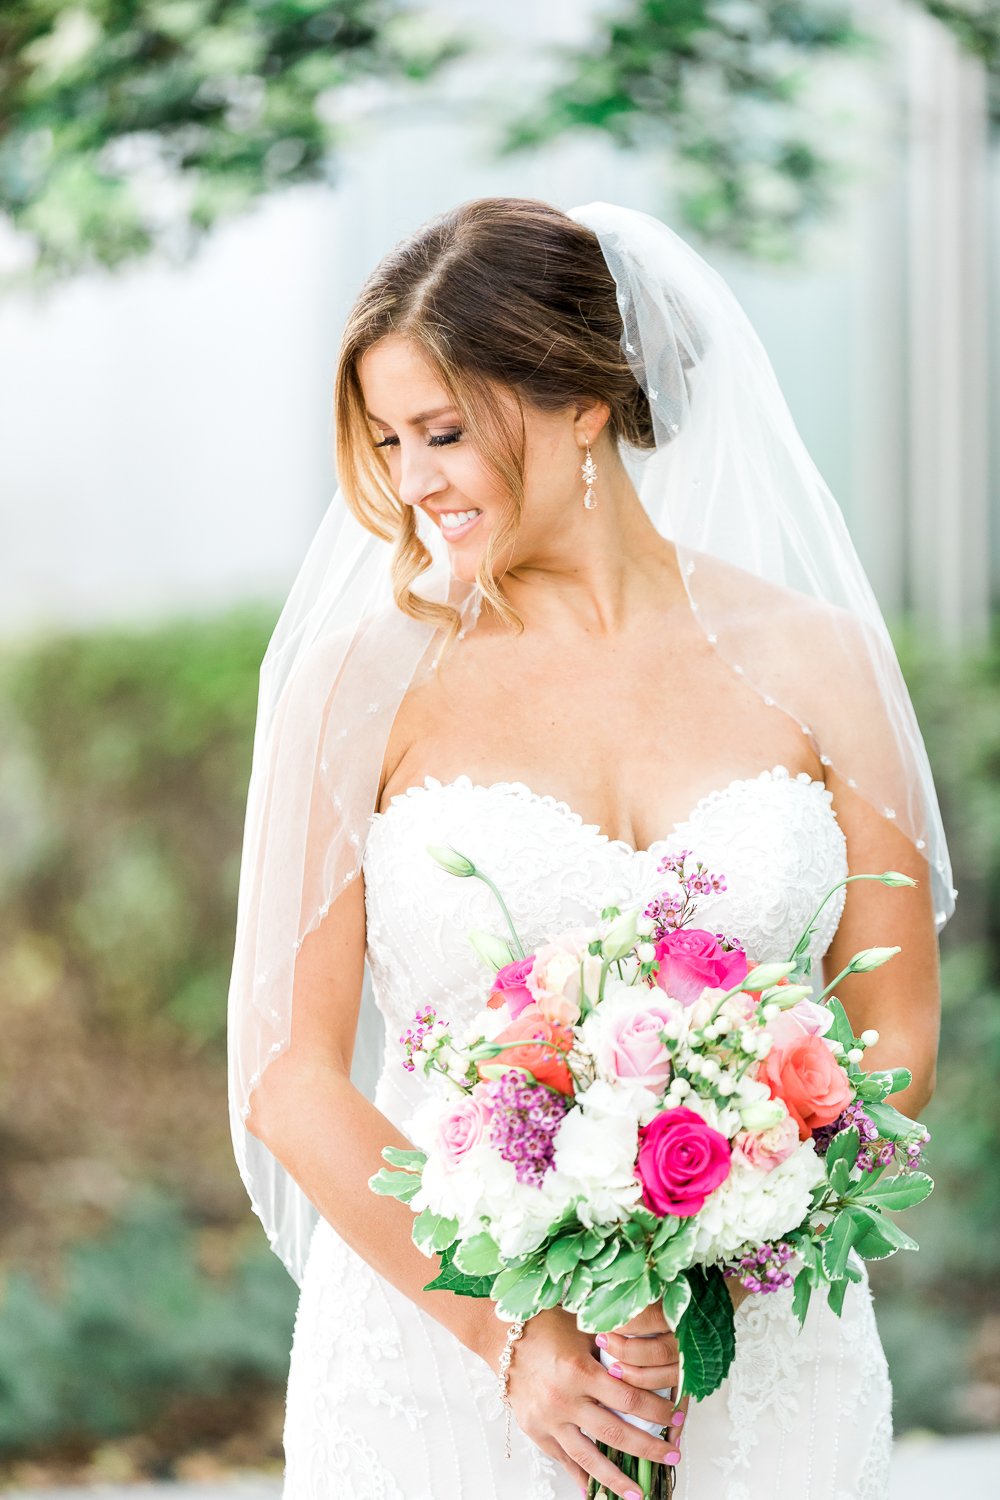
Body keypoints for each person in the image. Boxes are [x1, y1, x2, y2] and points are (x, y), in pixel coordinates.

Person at [227, 197, 951, 1499]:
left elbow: (896, 1036)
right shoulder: (358, 686)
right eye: (388, 441)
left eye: (445, 433)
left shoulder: (820, 665)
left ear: (584, 404)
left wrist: (724, 1222)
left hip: (765, 1350)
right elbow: (290, 1080)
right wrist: (517, 1336)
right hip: (439, 1356)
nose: (412, 483)